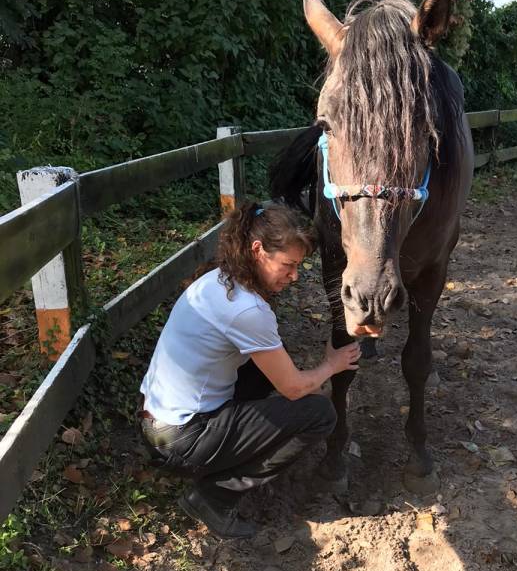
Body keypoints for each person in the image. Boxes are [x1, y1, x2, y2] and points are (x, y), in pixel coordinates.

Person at [139, 201, 360, 538]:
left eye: (298, 266)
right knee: (319, 413)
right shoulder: (247, 310)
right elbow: (294, 389)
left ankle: (225, 456)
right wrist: (332, 364)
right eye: (288, 265)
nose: (294, 276)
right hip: (180, 440)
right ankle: (214, 495)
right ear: (257, 250)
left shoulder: (217, 279)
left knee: (268, 362)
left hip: (157, 422)